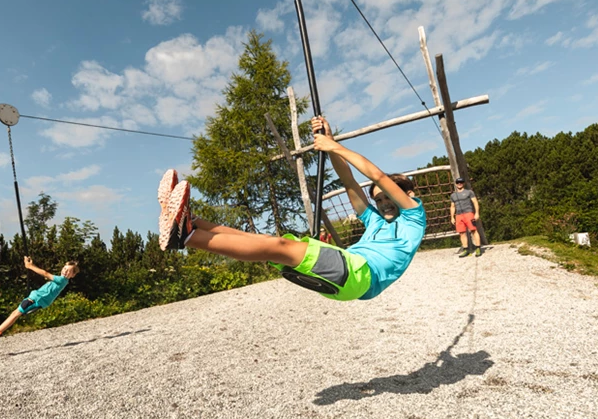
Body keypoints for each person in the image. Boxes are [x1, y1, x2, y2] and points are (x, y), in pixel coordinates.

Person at [157, 116, 426, 301]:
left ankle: (185, 236)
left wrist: (335, 146)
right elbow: (348, 179)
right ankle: (188, 219)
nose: (383, 203)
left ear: (409, 195)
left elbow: (379, 177)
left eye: (388, 197)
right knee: (265, 241)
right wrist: (329, 142)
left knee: (280, 248)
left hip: (361, 276)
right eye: (378, 200)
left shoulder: (414, 217)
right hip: (349, 268)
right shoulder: (376, 221)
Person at [0, 257, 79, 341]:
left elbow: (45, 273)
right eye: (65, 269)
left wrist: (30, 266)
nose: (65, 272)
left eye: (69, 271)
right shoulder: (61, 280)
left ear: (73, 275)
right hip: (35, 299)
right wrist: (30, 265)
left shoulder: (62, 280)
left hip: (35, 300)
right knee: (15, 313)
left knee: (16, 314)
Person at [449, 177, 483, 257]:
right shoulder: (453, 195)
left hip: (469, 213)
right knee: (461, 233)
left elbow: (475, 202)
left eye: (461, 182)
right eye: (458, 182)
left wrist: (477, 213)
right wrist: (452, 217)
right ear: (455, 184)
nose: (459, 184)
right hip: (459, 215)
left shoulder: (469, 192)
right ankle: (466, 249)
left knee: (473, 230)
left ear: (463, 183)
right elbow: (452, 206)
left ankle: (478, 248)